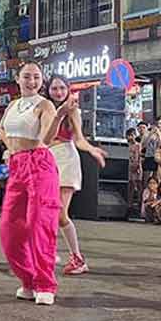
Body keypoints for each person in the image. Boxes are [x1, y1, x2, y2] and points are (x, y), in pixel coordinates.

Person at [0, 62, 64, 306]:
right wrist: (11, 149)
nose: (32, 81)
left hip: (40, 165)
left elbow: (47, 137)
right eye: (27, 76)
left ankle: (45, 284)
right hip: (17, 166)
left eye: (36, 77)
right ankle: (28, 280)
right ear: (18, 79)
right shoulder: (13, 105)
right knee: (9, 227)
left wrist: (59, 115)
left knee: (40, 224)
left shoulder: (44, 105)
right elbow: (2, 128)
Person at [44, 74, 106, 275]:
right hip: (48, 159)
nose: (58, 92)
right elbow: (43, 139)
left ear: (68, 89)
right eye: (54, 88)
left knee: (60, 213)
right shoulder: (44, 108)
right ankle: (49, 252)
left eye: (62, 88)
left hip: (67, 159)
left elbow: (79, 139)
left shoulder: (73, 110)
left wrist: (91, 149)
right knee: (46, 210)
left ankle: (77, 258)